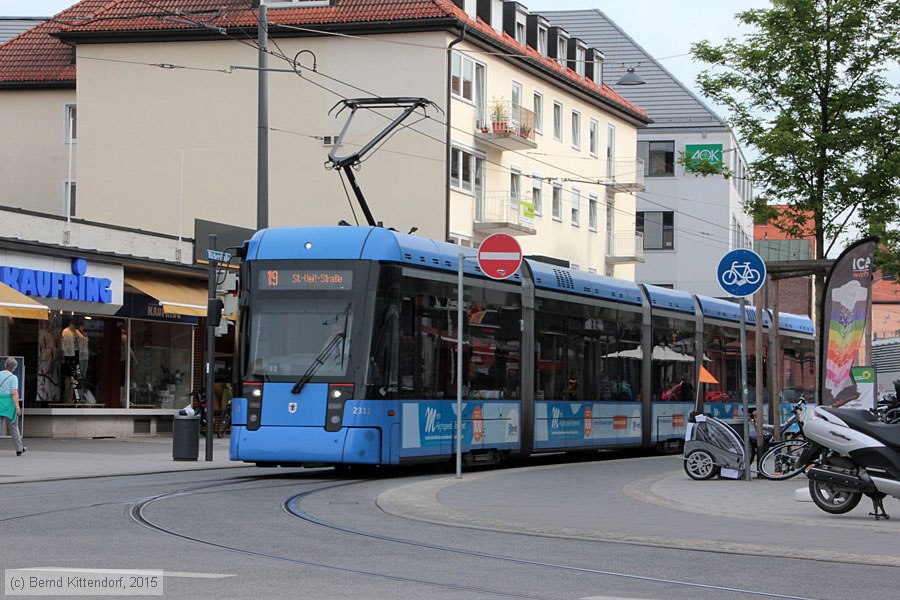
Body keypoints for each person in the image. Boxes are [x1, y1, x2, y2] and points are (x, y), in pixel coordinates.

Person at [0, 357, 26, 456]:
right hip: (9, 404)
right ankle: (19, 449)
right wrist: (18, 407)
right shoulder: (13, 378)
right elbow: (14, 393)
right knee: (14, 427)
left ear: (5, 365)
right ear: (14, 367)